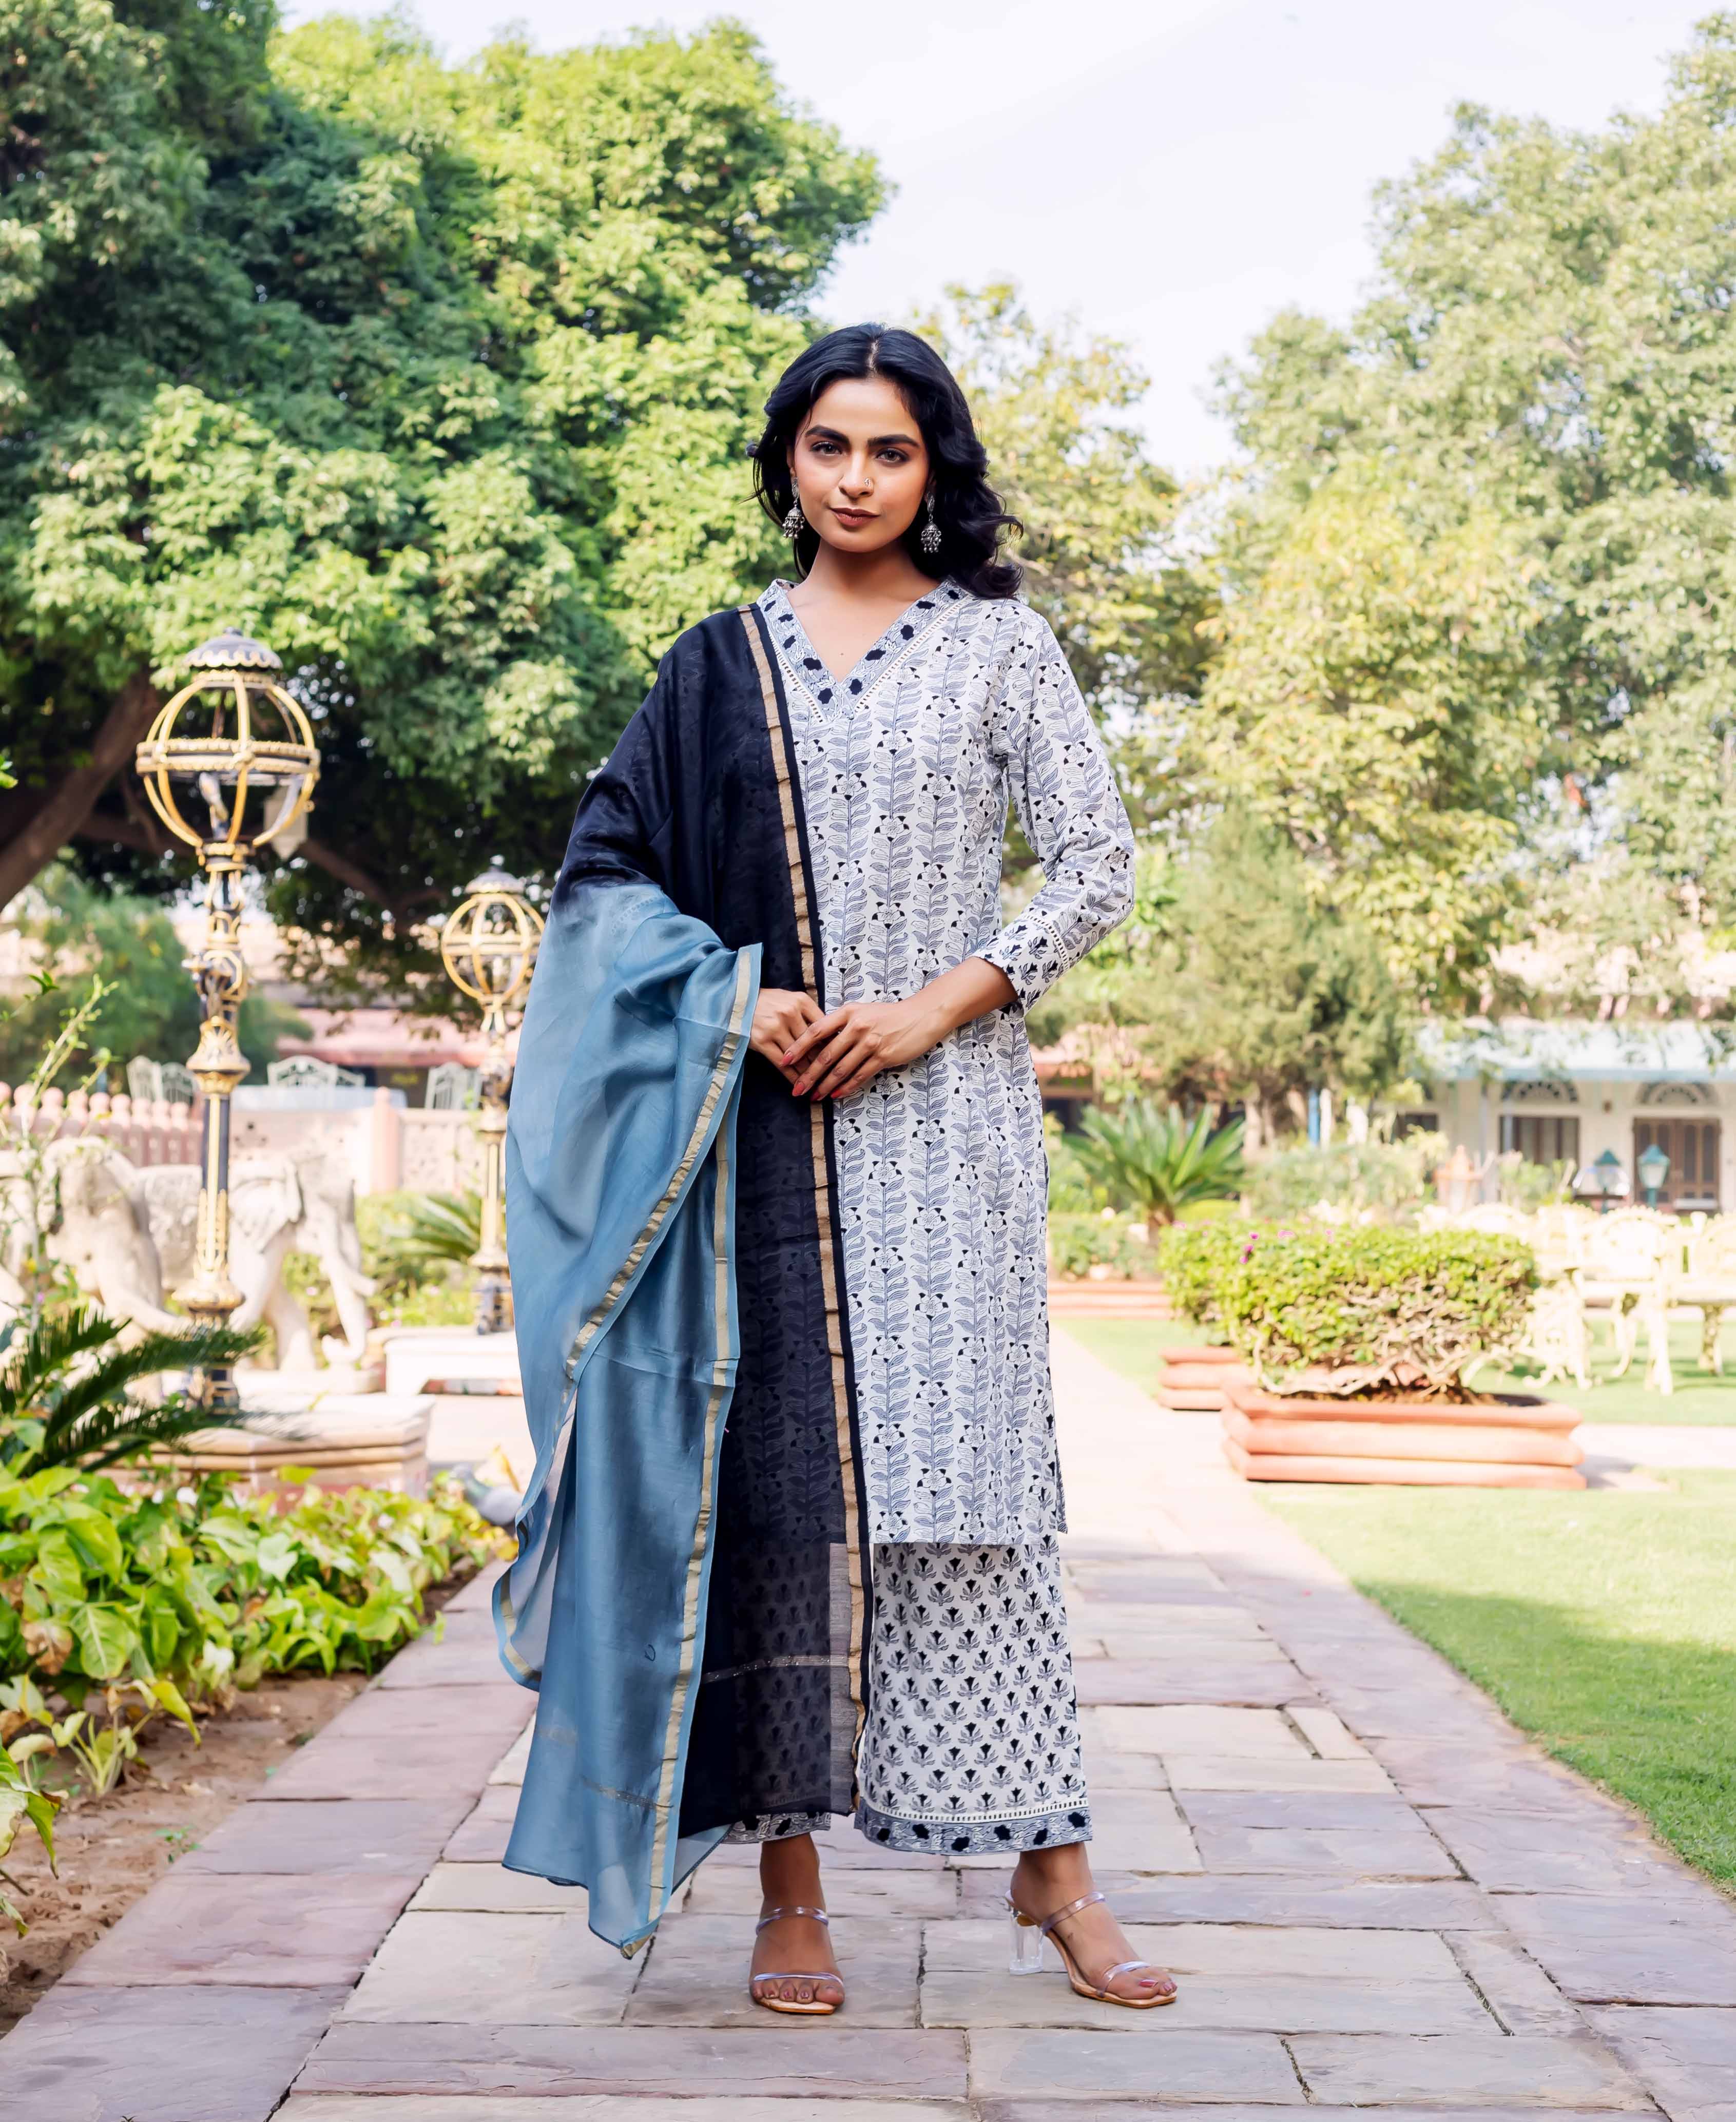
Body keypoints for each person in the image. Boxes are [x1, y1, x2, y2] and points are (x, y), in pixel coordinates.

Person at [494, 323, 1175, 2017]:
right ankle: (788, 1887)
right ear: (786, 460)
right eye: (828, 446)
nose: (856, 480)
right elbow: (605, 877)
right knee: (778, 1503)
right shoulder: (716, 664)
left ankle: (1052, 1864)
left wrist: (936, 1008)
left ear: (934, 468)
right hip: (762, 1133)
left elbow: (1098, 864)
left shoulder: (1002, 648)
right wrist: (740, 999)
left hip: (947, 1135)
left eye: (890, 451)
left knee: (976, 1497)